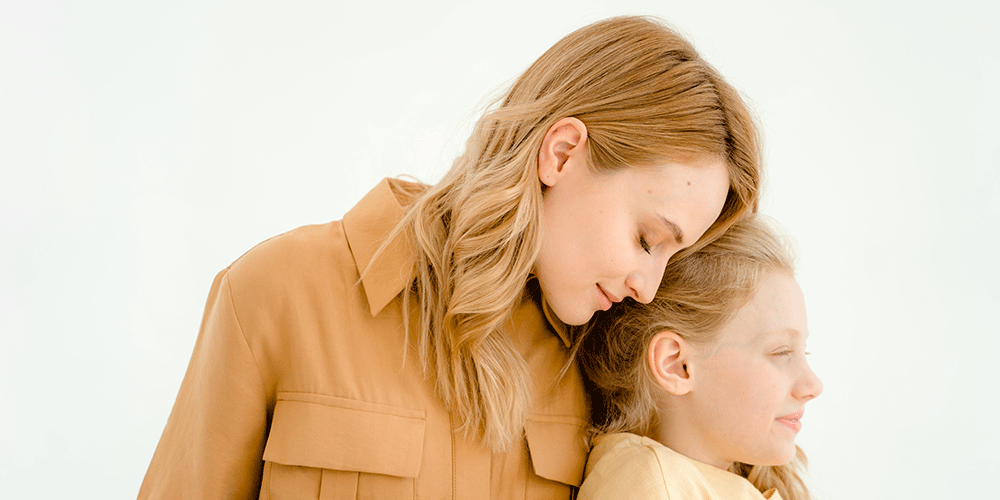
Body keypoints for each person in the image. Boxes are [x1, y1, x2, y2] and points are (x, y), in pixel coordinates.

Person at [139, 16, 761, 499]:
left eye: (670, 259)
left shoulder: (604, 370)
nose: (649, 288)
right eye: (649, 240)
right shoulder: (277, 293)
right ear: (562, 153)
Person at [577, 216, 823, 500]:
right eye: (781, 353)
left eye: (803, 352)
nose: (813, 385)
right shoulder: (651, 485)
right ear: (675, 365)